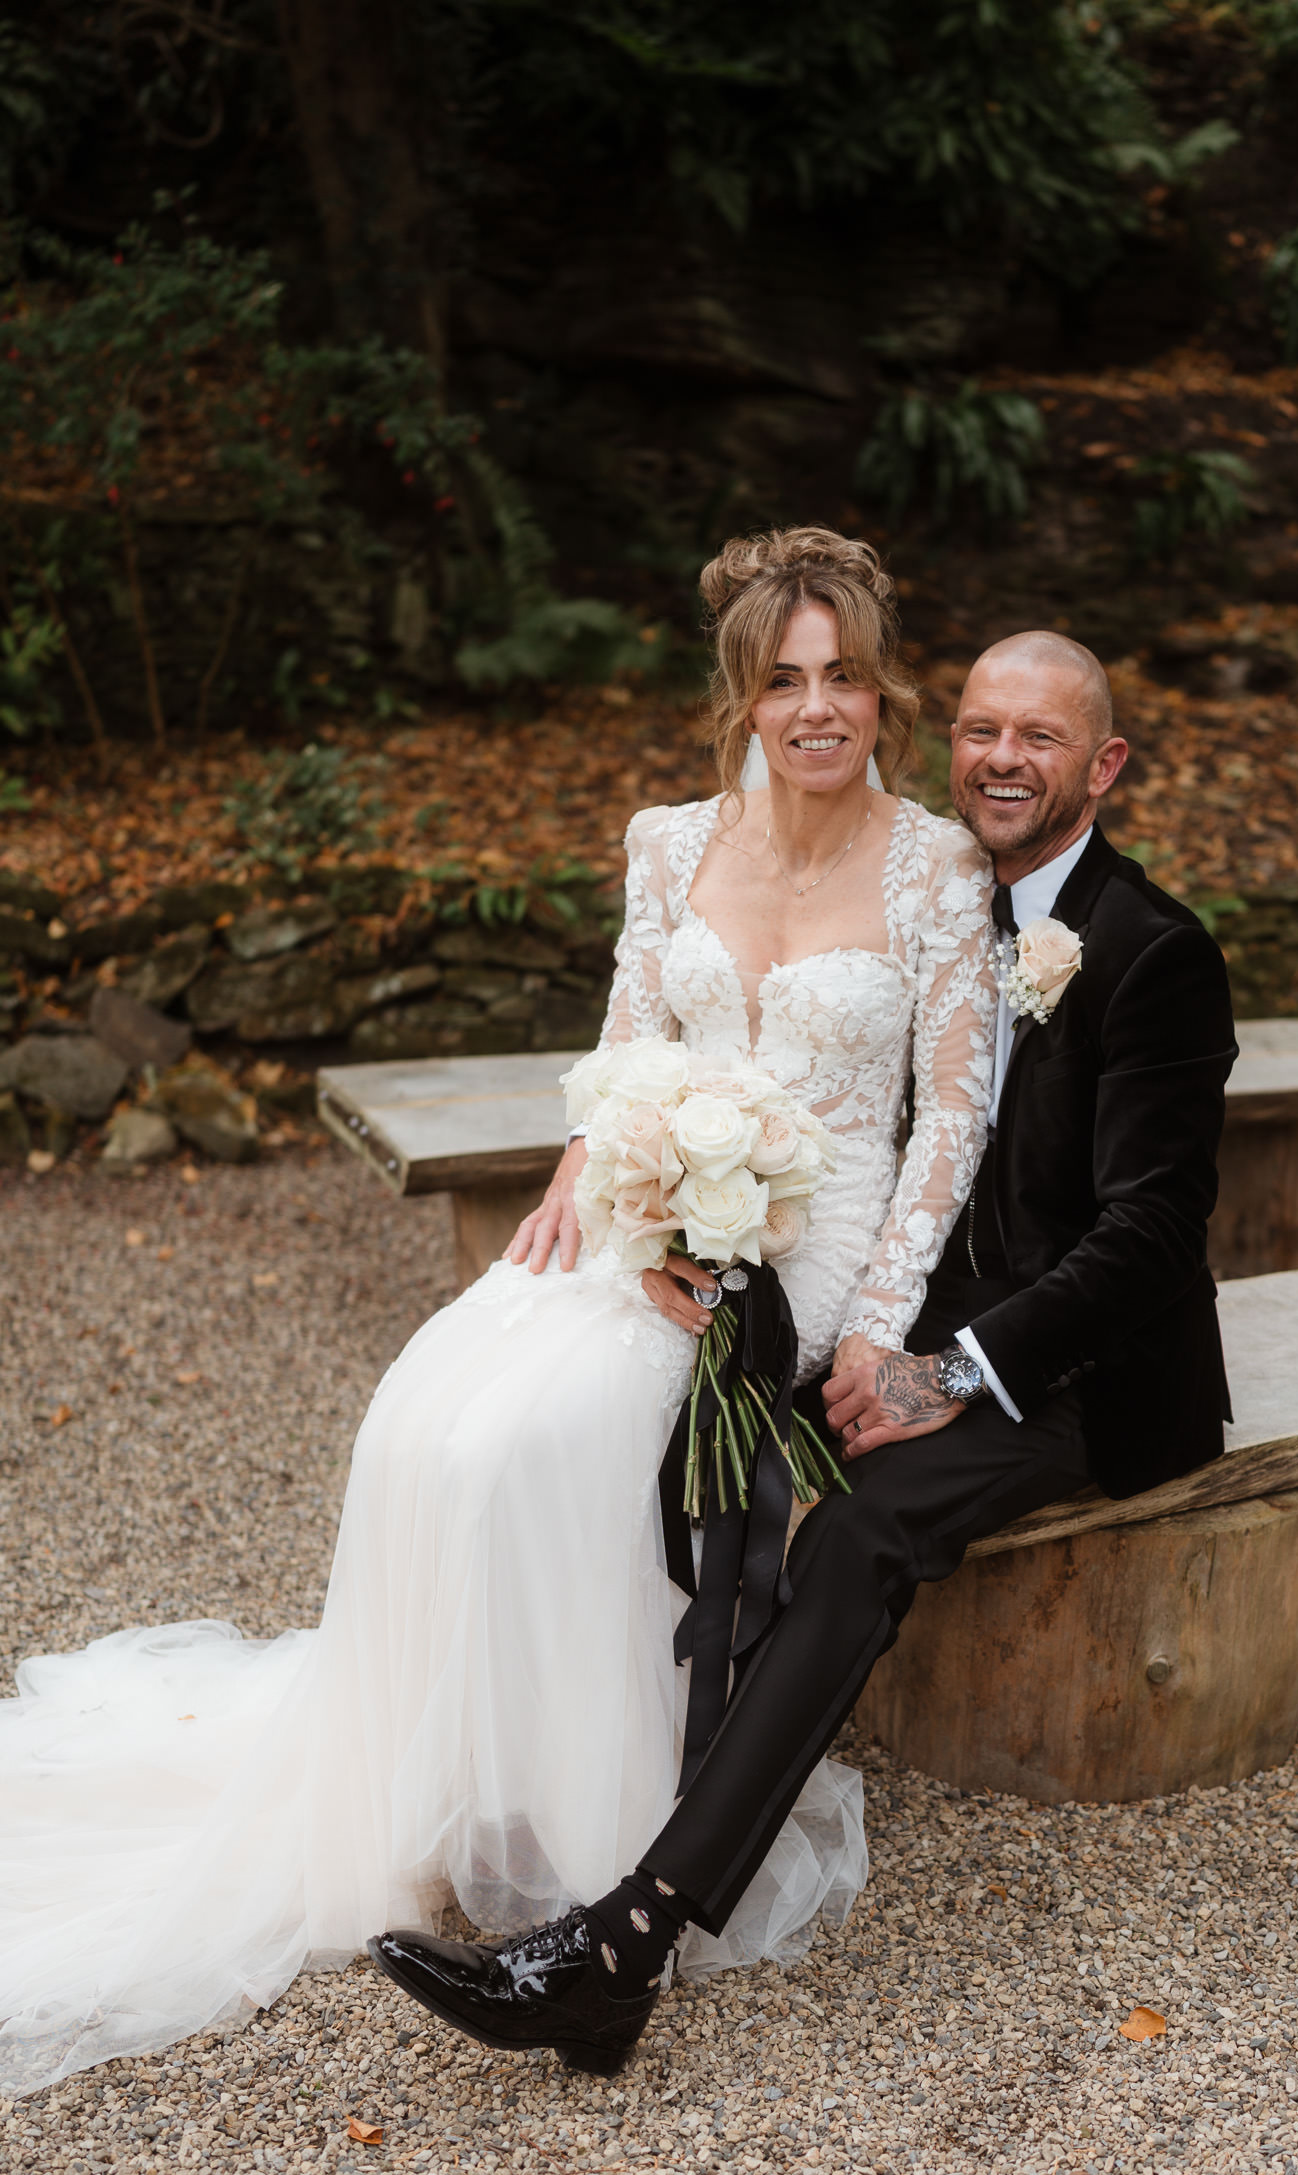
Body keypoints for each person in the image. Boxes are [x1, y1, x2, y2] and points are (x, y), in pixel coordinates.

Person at [0, 528, 995, 2096]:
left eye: (846, 677)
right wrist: (592, 1178)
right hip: (657, 1206)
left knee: (558, 1430)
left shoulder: (936, 867)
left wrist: (871, 1326)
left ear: (885, 695)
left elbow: (951, 1124)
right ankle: (467, 1782)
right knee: (433, 1414)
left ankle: (604, 1846)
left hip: (816, 1243)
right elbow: (627, 1041)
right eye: (785, 680)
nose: (818, 709)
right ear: (740, 697)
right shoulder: (672, 841)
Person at [368, 628, 1239, 2075]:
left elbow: (1151, 1236)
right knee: (681, 1440)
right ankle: (564, 1795)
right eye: (981, 730)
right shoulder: (945, 886)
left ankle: (627, 1940)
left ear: (1105, 767)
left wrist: (948, 1371)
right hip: (915, 1305)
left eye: (1039, 738)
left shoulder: (1155, 950)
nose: (1002, 759)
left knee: (852, 1531)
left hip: (1080, 1369)